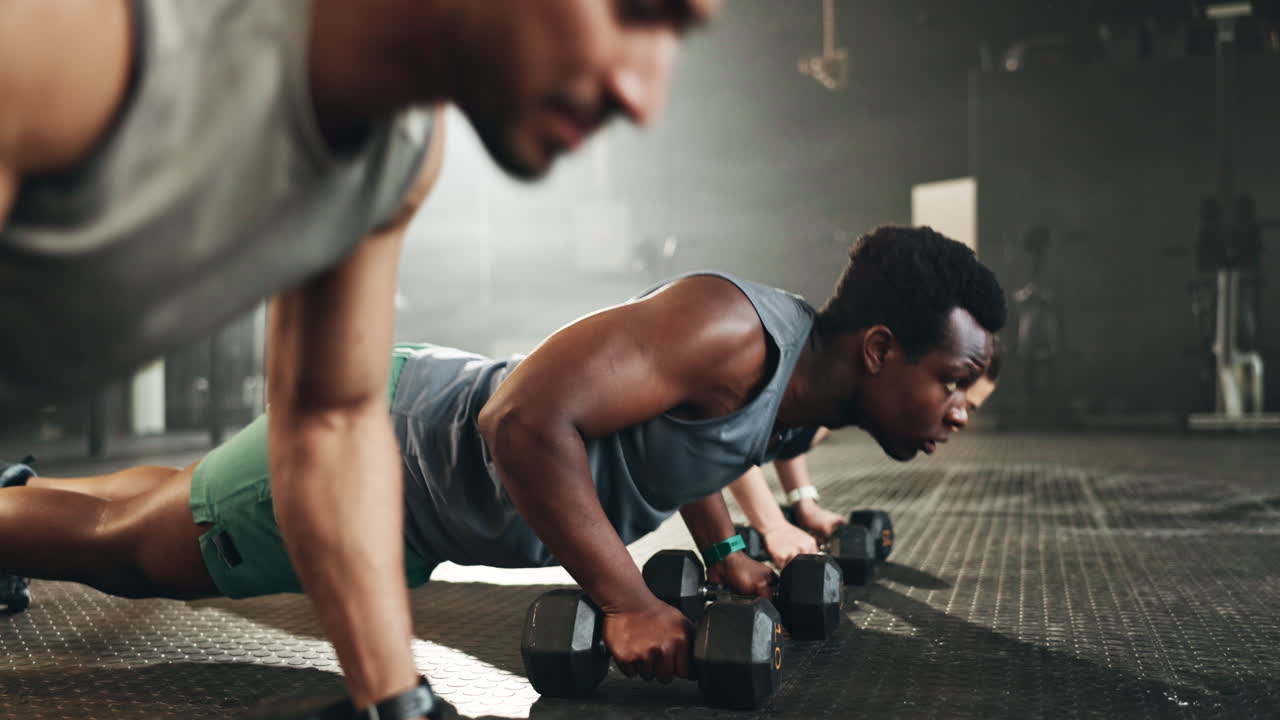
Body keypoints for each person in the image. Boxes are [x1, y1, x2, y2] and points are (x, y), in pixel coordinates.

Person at [0, 1, 720, 712]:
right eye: (636, 11)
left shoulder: (402, 149)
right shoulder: (70, 42)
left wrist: (393, 699)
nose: (642, 95)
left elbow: (331, 421)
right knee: (133, 543)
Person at [0, 225, 1006, 696]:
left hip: (405, 459)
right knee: (132, 552)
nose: (958, 409)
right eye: (952, 379)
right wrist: (622, 598)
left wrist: (727, 552)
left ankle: (19, 500)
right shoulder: (730, 330)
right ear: (880, 349)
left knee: (177, 500)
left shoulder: (785, 390)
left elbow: (698, 447)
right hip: (373, 463)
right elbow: (521, 423)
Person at [726, 339, 1003, 567]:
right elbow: (720, 438)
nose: (959, 419)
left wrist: (804, 505)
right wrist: (772, 527)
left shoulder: (827, 415)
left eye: (970, 408)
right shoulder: (800, 359)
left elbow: (785, 436)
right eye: (951, 390)